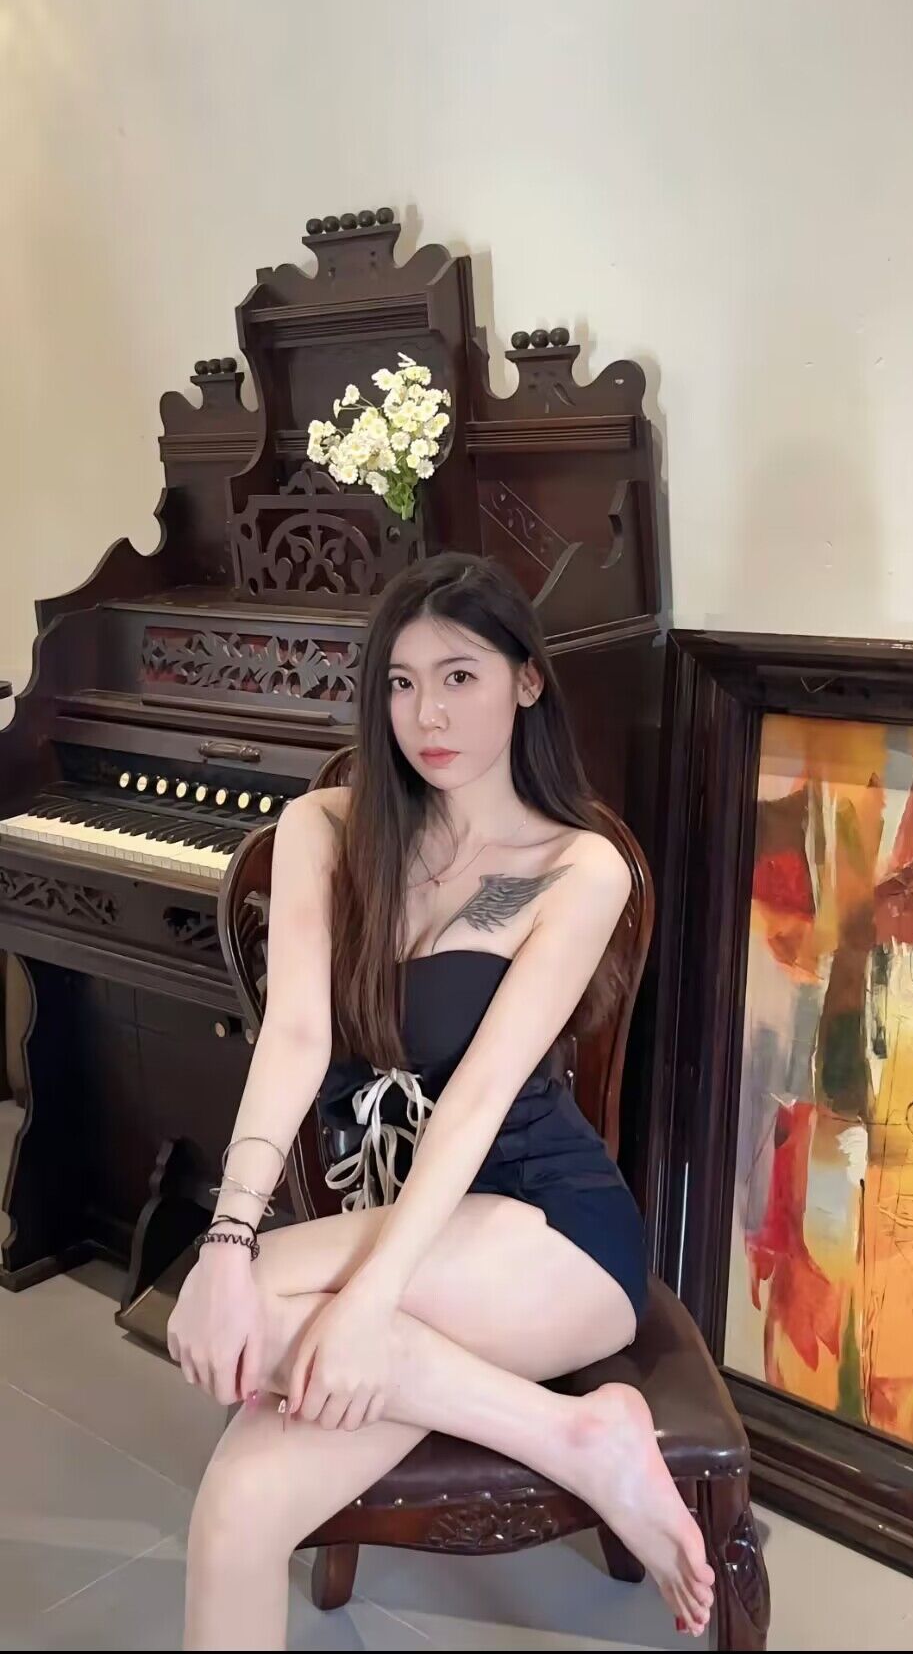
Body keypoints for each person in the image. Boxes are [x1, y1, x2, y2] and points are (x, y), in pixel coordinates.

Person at [168, 553, 714, 1649]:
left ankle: (584, 1428)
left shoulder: (577, 868)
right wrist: (227, 1235)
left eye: (461, 676)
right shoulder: (327, 829)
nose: (429, 714)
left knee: (253, 1316)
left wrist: (369, 1306)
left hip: (549, 1231)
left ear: (526, 681)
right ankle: (577, 1432)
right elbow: (297, 1036)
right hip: (406, 1224)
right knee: (236, 1505)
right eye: (403, 682)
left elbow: (474, 1102)